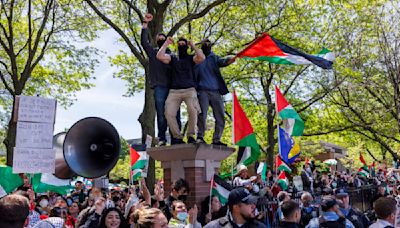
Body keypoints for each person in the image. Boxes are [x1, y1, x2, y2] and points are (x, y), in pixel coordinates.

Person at [141, 13, 181, 146]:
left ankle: (176, 138)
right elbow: (143, 42)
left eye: (163, 38)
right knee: (162, 114)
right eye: (159, 38)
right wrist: (145, 24)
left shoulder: (172, 55)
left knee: (175, 113)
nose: (161, 39)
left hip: (173, 88)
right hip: (160, 87)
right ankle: (162, 138)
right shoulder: (153, 53)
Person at [157, 36, 205, 144]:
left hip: (189, 90)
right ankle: (177, 137)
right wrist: (166, 43)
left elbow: (202, 57)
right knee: (168, 113)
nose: (181, 45)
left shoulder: (190, 58)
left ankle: (191, 136)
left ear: (186, 46)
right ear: (177, 46)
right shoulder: (172, 58)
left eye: (184, 44)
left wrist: (193, 45)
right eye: (180, 44)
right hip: (174, 91)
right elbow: (159, 56)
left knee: (193, 111)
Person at [194, 38, 234, 146]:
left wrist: (232, 58)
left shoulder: (214, 58)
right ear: (201, 46)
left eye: (208, 43)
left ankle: (216, 139)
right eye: (205, 44)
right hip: (202, 91)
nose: (207, 45)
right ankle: (200, 136)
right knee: (202, 114)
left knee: (220, 115)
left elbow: (224, 61)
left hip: (215, 92)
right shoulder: (197, 59)